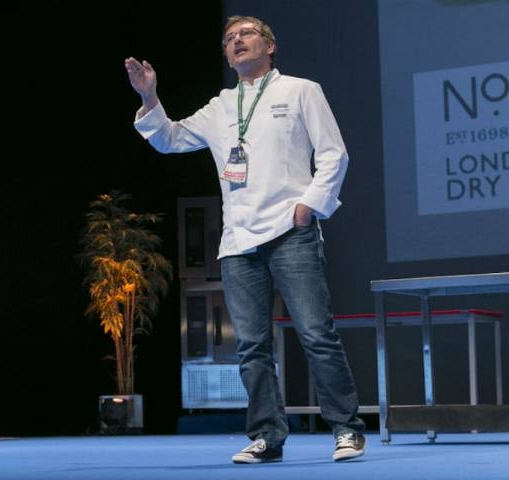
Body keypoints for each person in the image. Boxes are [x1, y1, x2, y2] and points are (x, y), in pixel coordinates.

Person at [125, 15, 365, 464]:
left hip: (290, 231)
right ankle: (267, 437)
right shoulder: (221, 106)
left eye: (247, 34)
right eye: (230, 38)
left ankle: (347, 429)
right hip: (238, 241)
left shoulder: (301, 90)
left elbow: (334, 153)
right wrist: (149, 96)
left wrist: (309, 204)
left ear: (269, 46)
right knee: (251, 346)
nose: (237, 41)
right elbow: (169, 139)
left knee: (316, 334)